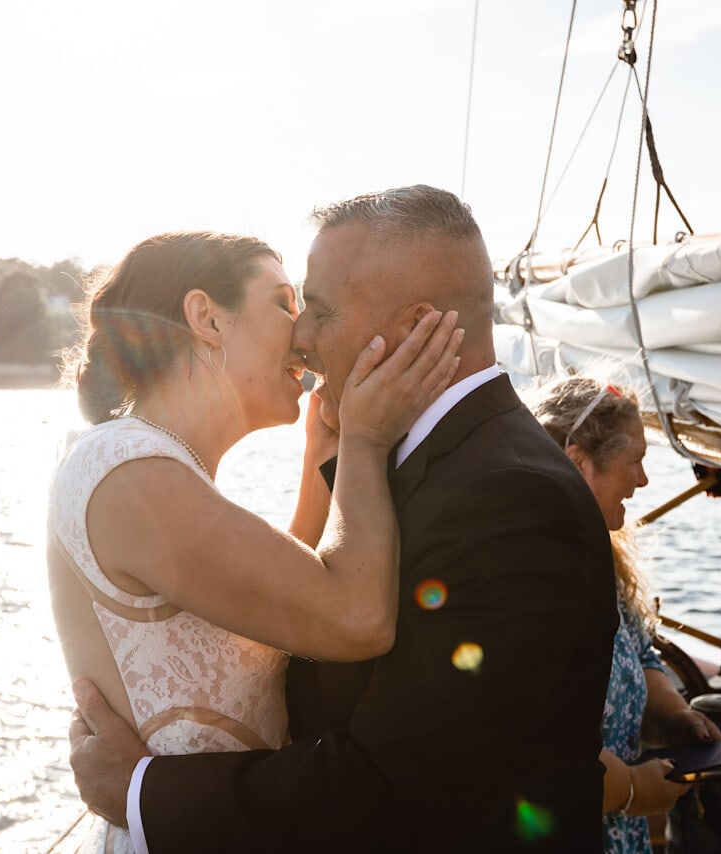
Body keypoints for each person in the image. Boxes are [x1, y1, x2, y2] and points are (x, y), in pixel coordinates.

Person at [69, 186, 620, 852]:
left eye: (320, 310)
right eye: (290, 306)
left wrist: (143, 791)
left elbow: (394, 786)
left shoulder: (512, 496)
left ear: (417, 327)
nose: (301, 336)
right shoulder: (422, 464)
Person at [48, 231, 463, 852]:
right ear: (207, 317)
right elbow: (355, 619)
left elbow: (269, 615)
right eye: (283, 302)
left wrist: (322, 464)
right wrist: (366, 442)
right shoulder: (126, 470)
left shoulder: (149, 463)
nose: (303, 333)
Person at [532, 377, 721, 854]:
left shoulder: (606, 563)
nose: (643, 480)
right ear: (579, 464)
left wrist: (677, 717)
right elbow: (538, 741)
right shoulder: (531, 580)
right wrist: (634, 790)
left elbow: (641, 657)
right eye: (634, 461)